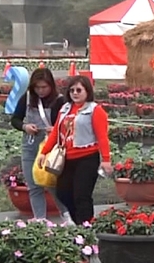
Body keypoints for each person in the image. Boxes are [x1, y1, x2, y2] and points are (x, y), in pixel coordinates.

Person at [38, 76, 112, 225]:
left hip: (87, 158)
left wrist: (106, 160)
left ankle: (86, 227)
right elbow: (55, 133)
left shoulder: (95, 110)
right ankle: (79, 222)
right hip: (67, 158)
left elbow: (102, 136)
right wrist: (44, 152)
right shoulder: (65, 108)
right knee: (63, 193)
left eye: (79, 90)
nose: (75, 93)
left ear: (87, 91)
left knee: (82, 195)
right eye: (72, 90)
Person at [10, 68, 70, 222]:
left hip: (50, 147)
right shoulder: (28, 98)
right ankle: (40, 220)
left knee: (51, 183)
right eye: (37, 87)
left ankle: (67, 216)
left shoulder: (59, 101)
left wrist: (55, 129)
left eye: (44, 87)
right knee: (33, 185)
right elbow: (15, 119)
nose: (40, 91)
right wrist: (25, 127)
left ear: (51, 85)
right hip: (30, 145)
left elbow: (67, 123)